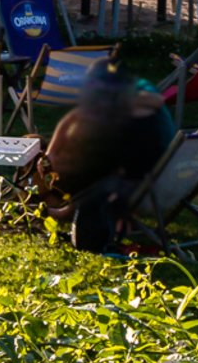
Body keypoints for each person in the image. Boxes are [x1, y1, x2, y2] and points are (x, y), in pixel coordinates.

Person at [30, 67, 175, 252]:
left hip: (142, 184)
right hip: (142, 175)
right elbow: (75, 117)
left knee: (82, 167)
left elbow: (154, 100)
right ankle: (52, 207)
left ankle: (48, 207)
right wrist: (51, 152)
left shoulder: (140, 101)